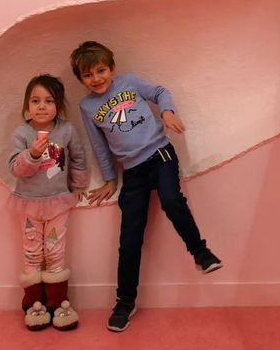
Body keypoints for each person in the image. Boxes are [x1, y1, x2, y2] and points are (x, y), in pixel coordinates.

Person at [70, 40, 222, 333]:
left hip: (160, 153)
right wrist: (110, 179)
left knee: (171, 199)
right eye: (88, 75)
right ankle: (125, 301)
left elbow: (160, 91)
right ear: (81, 80)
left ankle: (201, 254)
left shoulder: (128, 82)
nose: (97, 78)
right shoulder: (87, 106)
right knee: (129, 239)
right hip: (132, 172)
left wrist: (166, 112)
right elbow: (99, 146)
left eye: (101, 70)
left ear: (112, 69)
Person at [9, 74, 88, 331]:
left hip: (58, 203)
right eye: (35, 100)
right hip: (29, 204)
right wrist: (32, 154)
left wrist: (78, 185)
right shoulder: (22, 133)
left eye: (49, 100)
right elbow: (16, 169)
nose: (42, 106)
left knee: (55, 251)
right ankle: (34, 304)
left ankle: (57, 304)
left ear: (58, 106)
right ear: (26, 105)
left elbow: (78, 157)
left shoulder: (66, 130)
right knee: (32, 251)